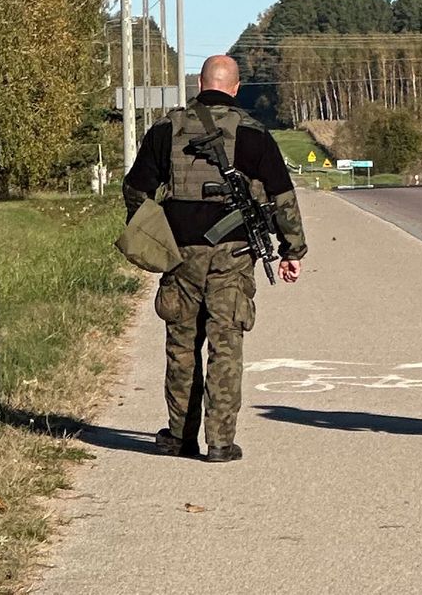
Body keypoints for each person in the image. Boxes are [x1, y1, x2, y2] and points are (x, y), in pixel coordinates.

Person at [123, 55, 307, 463]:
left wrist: (157, 235)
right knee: (226, 345)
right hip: (234, 256)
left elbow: (136, 190)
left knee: (181, 347)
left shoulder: (166, 131)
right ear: (236, 88)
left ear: (199, 85)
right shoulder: (255, 135)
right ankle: (220, 442)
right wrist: (292, 250)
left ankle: (179, 436)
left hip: (180, 256)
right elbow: (283, 200)